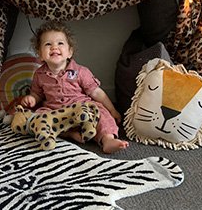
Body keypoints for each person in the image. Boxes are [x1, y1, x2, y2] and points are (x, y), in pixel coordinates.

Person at [21, 20, 129, 154]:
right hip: (56, 111)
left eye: (60, 43)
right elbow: (37, 93)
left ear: (69, 52)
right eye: (48, 44)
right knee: (38, 116)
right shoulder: (39, 74)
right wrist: (32, 98)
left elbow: (97, 93)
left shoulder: (80, 72)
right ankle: (69, 134)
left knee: (101, 112)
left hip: (81, 109)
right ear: (40, 55)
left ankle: (107, 139)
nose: (54, 47)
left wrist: (112, 110)